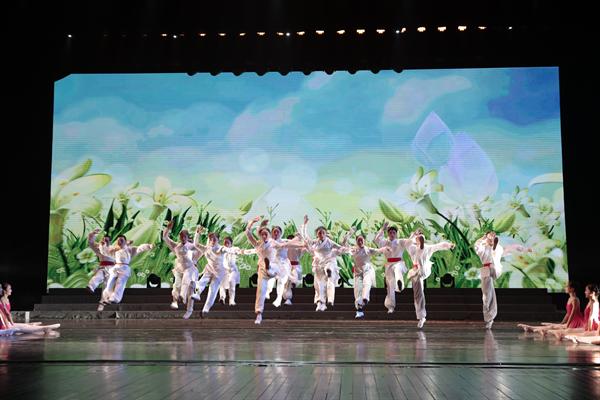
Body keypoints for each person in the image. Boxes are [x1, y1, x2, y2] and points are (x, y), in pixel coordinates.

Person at [246, 216, 305, 324]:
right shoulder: (257, 243)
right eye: (262, 234)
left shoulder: (273, 242)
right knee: (261, 291)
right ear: (260, 235)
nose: (264, 236)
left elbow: (287, 244)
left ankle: (270, 270)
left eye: (266, 234)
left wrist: (302, 244)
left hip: (275, 266)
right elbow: (248, 233)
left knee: (277, 272)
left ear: (269, 235)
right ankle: (259, 314)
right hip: (262, 269)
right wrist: (252, 222)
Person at [406, 231, 454, 328]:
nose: (419, 238)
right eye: (418, 238)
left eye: (421, 238)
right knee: (418, 294)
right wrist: (413, 234)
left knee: (419, 289)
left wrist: (449, 245)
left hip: (424, 269)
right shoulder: (412, 248)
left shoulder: (427, 248)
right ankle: (421, 317)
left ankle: (422, 316)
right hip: (416, 271)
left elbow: (439, 246)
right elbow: (408, 243)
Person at [301, 215, 346, 311]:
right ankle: (321, 303)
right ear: (317, 234)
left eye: (323, 232)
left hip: (329, 262)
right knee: (319, 285)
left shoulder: (330, 242)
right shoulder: (315, 242)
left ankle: (330, 299)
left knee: (329, 278)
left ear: (325, 234)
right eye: (319, 233)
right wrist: (305, 224)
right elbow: (305, 237)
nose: (321, 234)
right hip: (318, 265)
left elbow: (340, 248)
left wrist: (346, 241)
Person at [340, 233, 387, 319]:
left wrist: (385, 248)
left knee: (367, 283)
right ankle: (359, 310)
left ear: (364, 241)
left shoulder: (368, 250)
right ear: (356, 241)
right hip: (358, 272)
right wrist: (348, 235)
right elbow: (344, 246)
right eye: (358, 240)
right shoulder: (353, 250)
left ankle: (365, 298)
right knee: (358, 290)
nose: (360, 241)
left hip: (367, 271)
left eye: (361, 240)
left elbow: (379, 251)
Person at [101, 235, 154, 304]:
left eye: (121, 240)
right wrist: (103, 245)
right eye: (118, 240)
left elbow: (140, 248)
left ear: (125, 241)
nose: (119, 242)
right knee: (110, 283)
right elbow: (106, 252)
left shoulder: (130, 249)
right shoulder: (115, 249)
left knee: (120, 283)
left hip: (124, 268)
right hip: (116, 268)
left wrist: (149, 246)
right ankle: (107, 297)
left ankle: (115, 298)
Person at [374, 222, 413, 313]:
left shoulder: (400, 241)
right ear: (388, 233)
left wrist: (414, 235)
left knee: (397, 268)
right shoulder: (384, 242)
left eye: (393, 233)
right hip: (389, 265)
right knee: (390, 286)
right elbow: (376, 239)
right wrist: (382, 229)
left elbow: (409, 241)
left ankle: (400, 284)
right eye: (390, 232)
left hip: (399, 263)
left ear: (396, 234)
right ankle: (390, 307)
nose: (392, 234)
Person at [517, 281, 584, 333]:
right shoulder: (570, 299)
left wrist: (567, 324)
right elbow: (568, 313)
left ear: (572, 289)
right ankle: (531, 327)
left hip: (577, 321)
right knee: (554, 326)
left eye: (567, 286)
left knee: (554, 327)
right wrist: (562, 323)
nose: (565, 288)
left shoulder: (575, 299)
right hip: (572, 321)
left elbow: (572, 313)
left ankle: (531, 328)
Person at [162, 221, 199, 310]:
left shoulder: (191, 246)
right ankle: (175, 301)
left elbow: (199, 251)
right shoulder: (176, 246)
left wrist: (197, 234)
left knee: (188, 284)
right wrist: (168, 228)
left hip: (189, 269)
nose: (182, 238)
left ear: (187, 237)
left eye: (184, 236)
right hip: (179, 268)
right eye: (181, 236)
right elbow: (165, 237)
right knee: (176, 285)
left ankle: (185, 300)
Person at [474, 231, 503, 329]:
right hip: (486, 269)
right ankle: (489, 318)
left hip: (495, 268)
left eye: (493, 235)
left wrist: (493, 246)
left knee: (488, 294)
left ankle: (489, 317)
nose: (492, 236)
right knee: (487, 295)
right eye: (490, 235)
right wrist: (483, 239)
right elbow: (477, 246)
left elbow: (498, 252)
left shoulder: (498, 248)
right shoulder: (483, 247)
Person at [219, 236, 255, 306]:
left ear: (231, 243)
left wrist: (254, 251)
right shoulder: (222, 249)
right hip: (224, 270)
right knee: (222, 284)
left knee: (231, 282)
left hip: (233, 270)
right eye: (225, 242)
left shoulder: (234, 249)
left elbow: (242, 252)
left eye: (227, 242)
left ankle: (231, 300)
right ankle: (222, 298)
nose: (226, 243)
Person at [86, 228, 116, 311]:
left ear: (110, 242)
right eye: (103, 239)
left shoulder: (114, 249)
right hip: (102, 267)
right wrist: (93, 233)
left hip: (111, 270)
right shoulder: (99, 247)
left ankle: (102, 304)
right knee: (97, 277)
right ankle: (91, 287)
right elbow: (91, 243)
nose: (104, 241)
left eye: (106, 240)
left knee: (106, 287)